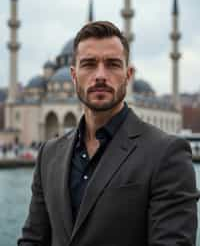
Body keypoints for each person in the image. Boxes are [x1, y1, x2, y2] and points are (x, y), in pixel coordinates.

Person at [18, 21, 199, 246]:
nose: (100, 75)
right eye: (89, 64)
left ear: (128, 75)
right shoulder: (49, 155)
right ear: (73, 76)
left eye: (112, 64)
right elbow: (33, 240)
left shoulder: (166, 154)